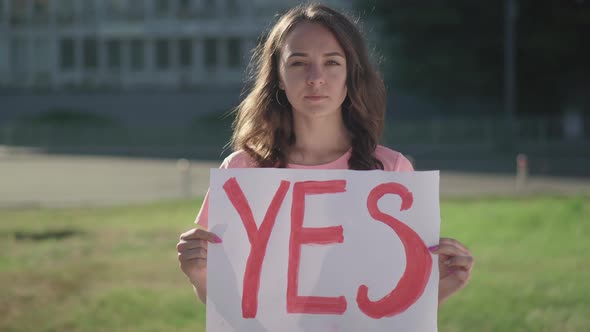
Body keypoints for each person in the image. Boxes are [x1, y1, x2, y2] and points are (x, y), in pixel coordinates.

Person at [177, 3, 474, 308]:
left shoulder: (391, 170)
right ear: (278, 75)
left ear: (351, 73)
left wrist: (437, 289)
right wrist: (199, 276)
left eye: (332, 62)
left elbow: (395, 308)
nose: (315, 77)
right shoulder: (241, 171)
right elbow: (232, 304)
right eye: (298, 63)